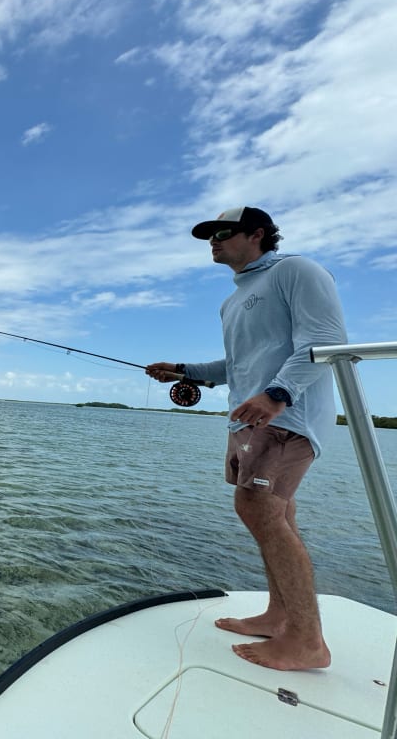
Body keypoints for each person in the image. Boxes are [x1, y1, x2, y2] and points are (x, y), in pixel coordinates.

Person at [146, 206, 347, 671]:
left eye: (223, 232)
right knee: (275, 512)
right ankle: (279, 616)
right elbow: (237, 364)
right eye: (209, 236)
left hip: (287, 414)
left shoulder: (295, 270)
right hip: (248, 421)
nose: (213, 241)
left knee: (256, 507)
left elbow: (324, 338)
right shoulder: (232, 300)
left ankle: (307, 641)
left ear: (258, 234)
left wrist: (278, 394)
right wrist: (184, 370)